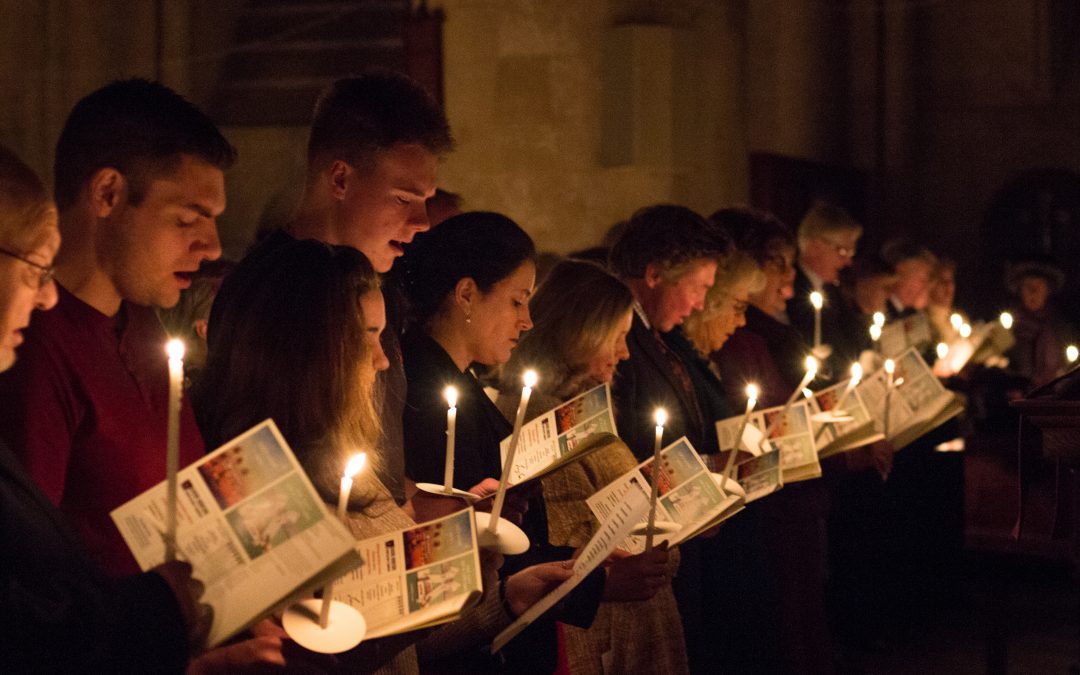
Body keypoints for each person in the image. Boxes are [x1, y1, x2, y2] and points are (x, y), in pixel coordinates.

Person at [197, 238, 572, 673]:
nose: (381, 362)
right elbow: (319, 656)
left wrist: (502, 595)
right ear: (305, 349)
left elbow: (401, 652)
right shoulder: (248, 488)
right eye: (368, 337)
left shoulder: (348, 464)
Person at [0, 79, 232, 578]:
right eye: (189, 219)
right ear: (107, 193)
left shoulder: (143, 318)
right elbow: (32, 579)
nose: (213, 247)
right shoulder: (28, 348)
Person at [0, 144, 211, 673]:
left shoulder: (144, 326)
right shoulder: (42, 354)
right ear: (108, 194)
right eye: (34, 272)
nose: (47, 298)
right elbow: (33, 602)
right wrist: (160, 610)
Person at [208, 70, 455, 506]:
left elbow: (371, 465)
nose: (422, 224)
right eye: (403, 199)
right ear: (339, 179)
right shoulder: (271, 295)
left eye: (425, 202)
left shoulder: (374, 286)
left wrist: (431, 505)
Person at [401, 212, 604, 673]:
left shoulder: (456, 379)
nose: (529, 321)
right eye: (517, 301)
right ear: (467, 294)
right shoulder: (425, 392)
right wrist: (595, 579)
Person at [493, 259, 687, 674]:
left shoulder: (581, 407)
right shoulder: (541, 418)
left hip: (624, 616)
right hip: (599, 630)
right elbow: (570, 531)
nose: (625, 353)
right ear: (582, 333)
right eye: (617, 337)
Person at [714, 207, 836, 675]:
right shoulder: (743, 342)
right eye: (777, 264)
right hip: (773, 507)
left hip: (794, 492)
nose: (789, 277)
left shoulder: (765, 334)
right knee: (785, 616)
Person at [789, 201, 864, 372]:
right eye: (842, 251)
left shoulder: (833, 289)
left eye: (851, 253)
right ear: (815, 246)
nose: (848, 261)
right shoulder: (791, 290)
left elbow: (853, 338)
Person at [1005, 257, 1072, 387]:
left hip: (1051, 400)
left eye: (1039, 285)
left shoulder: (1061, 331)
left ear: (1048, 290)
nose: (1033, 292)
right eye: (1027, 286)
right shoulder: (1008, 330)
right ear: (1019, 290)